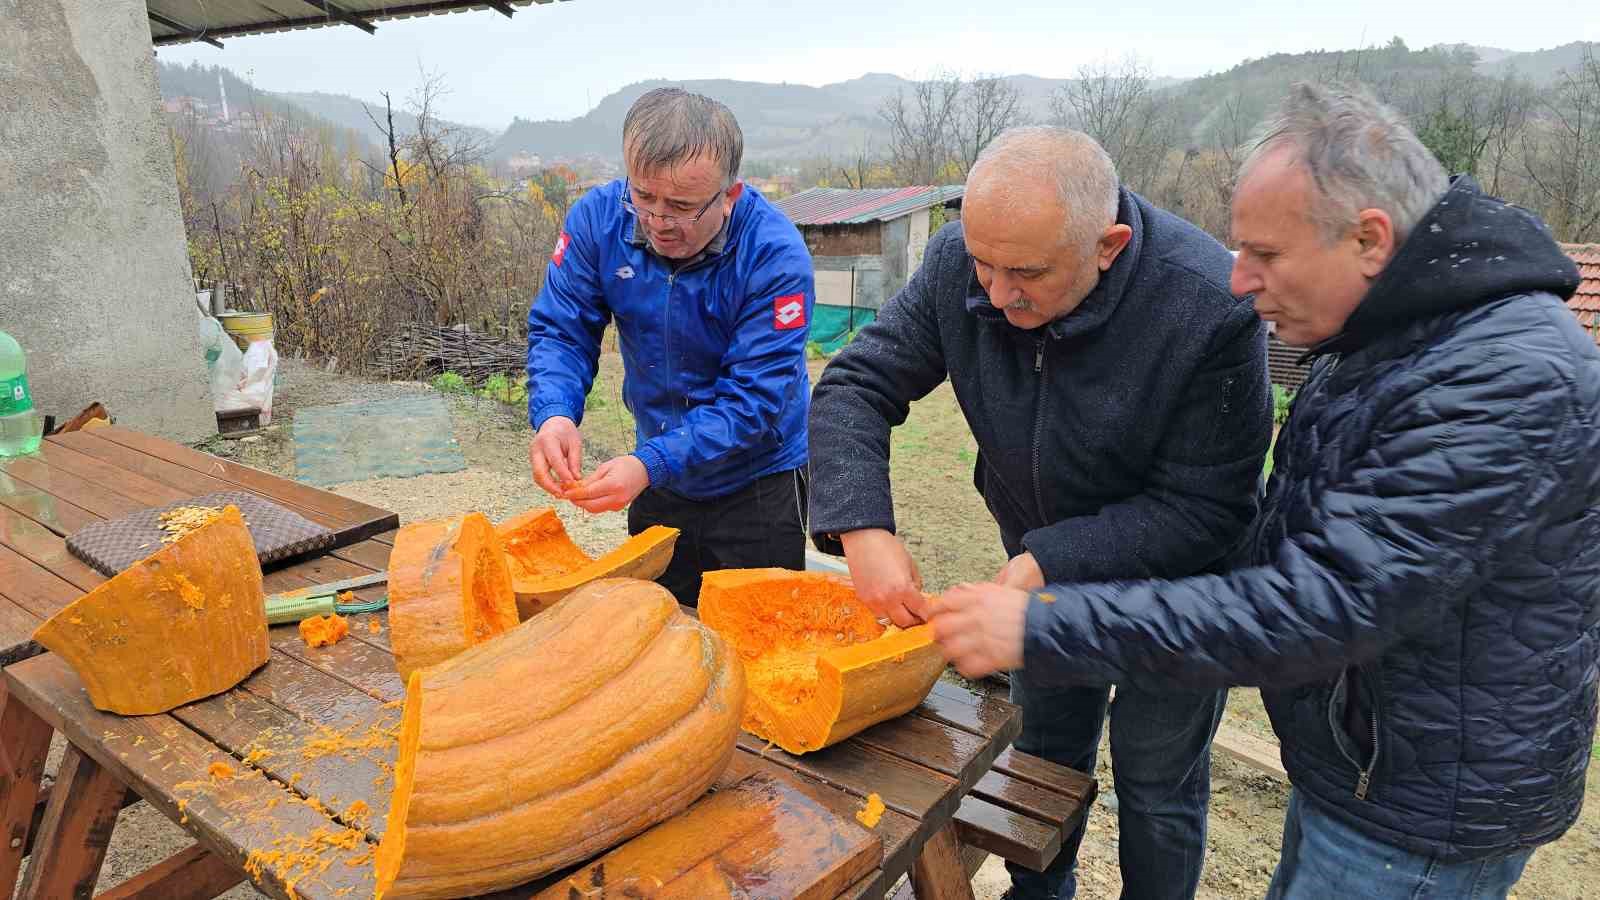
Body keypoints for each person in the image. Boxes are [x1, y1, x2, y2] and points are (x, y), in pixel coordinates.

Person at [931, 83, 1599, 900]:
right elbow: (1286, 540)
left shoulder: (1497, 380)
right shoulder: (1390, 343)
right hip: (1364, 768)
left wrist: (1048, 623)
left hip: (1421, 810)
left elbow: (1319, 607)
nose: (1240, 281)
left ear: (1370, 238)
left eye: (1267, 255)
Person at [808, 126, 1272, 900]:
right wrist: (863, 525)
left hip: (1180, 594)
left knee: (1157, 785)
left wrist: (1043, 559)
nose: (994, 293)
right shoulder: (963, 260)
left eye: (1025, 273)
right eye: (984, 265)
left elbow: (1209, 507)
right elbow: (856, 385)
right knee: (1043, 764)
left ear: (1109, 245)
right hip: (1041, 574)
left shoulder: (1208, 303)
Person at [526, 88, 814, 605]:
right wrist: (554, 413)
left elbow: (752, 401)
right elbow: (562, 329)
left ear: (729, 196)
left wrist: (649, 463)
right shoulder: (597, 221)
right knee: (657, 631)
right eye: (644, 197)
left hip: (759, 481)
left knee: (761, 638)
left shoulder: (775, 255)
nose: (658, 221)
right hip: (658, 477)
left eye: (681, 206)